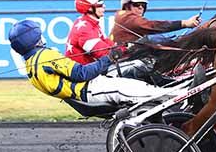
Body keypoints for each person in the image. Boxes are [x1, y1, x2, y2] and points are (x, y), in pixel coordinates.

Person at [9, 19, 175, 106]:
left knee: (137, 72)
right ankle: (178, 96)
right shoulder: (45, 56)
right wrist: (109, 58)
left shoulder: (31, 65)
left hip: (88, 89)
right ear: (35, 39)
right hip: (91, 89)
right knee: (141, 90)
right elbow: (83, 73)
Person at [110, 0, 201, 44]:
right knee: (156, 40)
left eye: (143, 5)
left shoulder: (123, 17)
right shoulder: (126, 17)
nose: (141, 7)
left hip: (127, 59)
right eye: (137, 4)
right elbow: (153, 26)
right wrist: (184, 23)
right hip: (123, 63)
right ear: (126, 6)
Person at [66, 0, 115, 64]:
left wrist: (126, 48)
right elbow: (105, 54)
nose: (104, 6)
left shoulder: (92, 23)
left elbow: (108, 43)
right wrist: (121, 51)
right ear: (89, 8)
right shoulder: (84, 29)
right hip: (82, 73)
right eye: (100, 4)